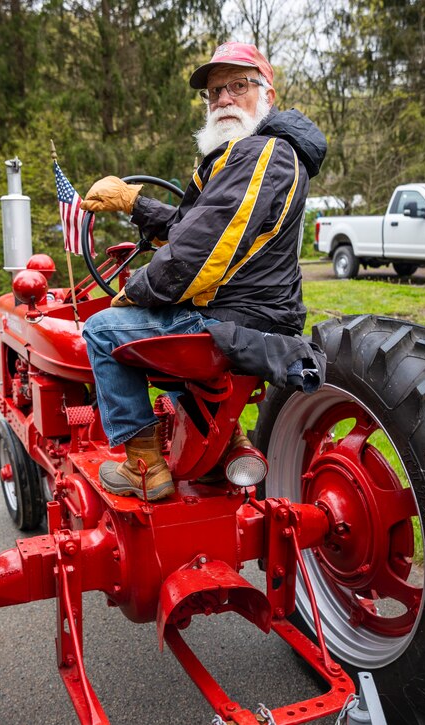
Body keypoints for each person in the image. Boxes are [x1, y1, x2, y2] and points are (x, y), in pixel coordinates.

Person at [80, 41, 327, 502]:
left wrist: (137, 290)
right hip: (244, 311)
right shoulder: (241, 157)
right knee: (157, 329)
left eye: (238, 86)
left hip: (235, 317)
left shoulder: (263, 153)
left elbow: (200, 252)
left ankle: (145, 465)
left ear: (267, 94)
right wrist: (135, 203)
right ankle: (226, 443)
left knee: (101, 330)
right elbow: (193, 227)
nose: (225, 99)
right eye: (215, 93)